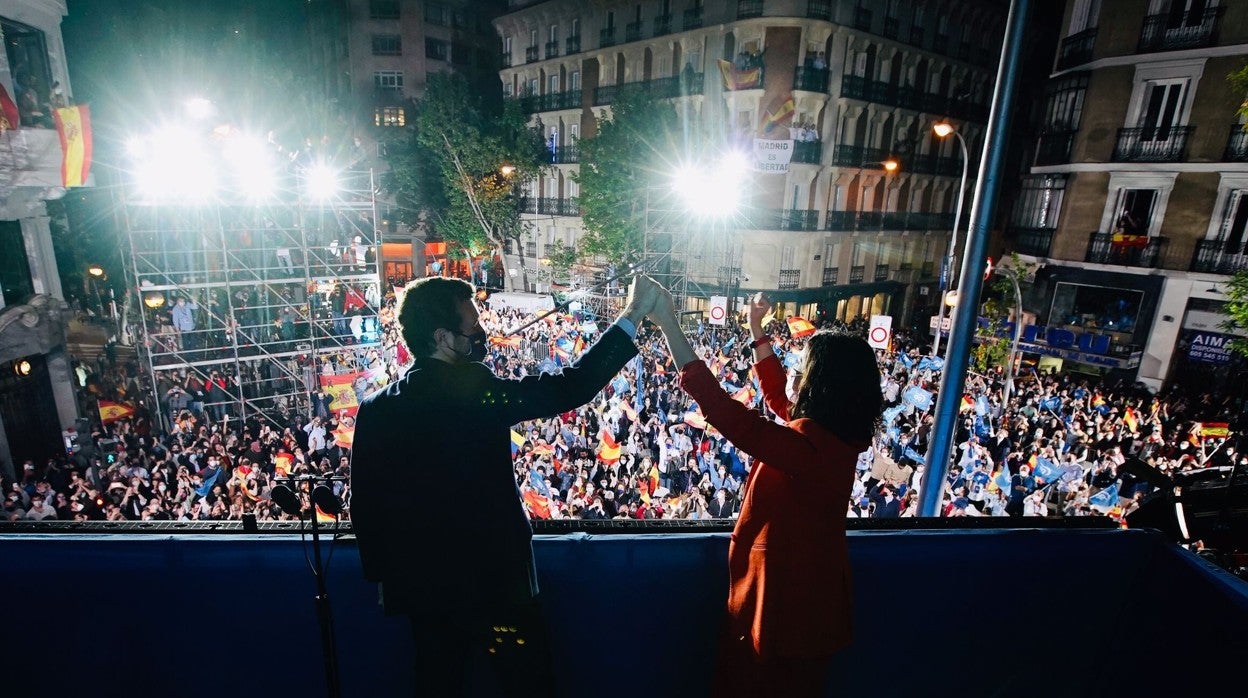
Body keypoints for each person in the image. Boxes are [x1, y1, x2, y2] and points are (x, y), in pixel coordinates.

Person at [350, 274, 659, 697]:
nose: (482, 332)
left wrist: (388, 580)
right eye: (472, 325)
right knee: (525, 684)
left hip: (425, 595)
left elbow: (365, 507)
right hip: (497, 588)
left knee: (437, 683)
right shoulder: (476, 393)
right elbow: (569, 388)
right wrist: (631, 316)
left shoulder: (376, 409)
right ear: (442, 337)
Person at [649, 291, 882, 698]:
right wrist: (757, 329)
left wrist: (669, 325)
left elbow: (730, 417)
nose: (796, 372)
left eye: (803, 366)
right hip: (809, 607)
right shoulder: (834, 438)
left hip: (783, 611)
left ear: (821, 383)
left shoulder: (808, 449)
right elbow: (778, 398)